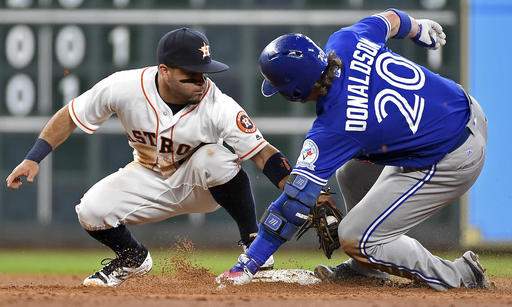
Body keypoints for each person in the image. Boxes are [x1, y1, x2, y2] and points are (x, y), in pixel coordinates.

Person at [218, 9, 490, 291]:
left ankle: (460, 275)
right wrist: (418, 29)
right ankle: (367, 269)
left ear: (294, 91)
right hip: (463, 109)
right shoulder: (346, 40)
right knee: (351, 172)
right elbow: (391, 19)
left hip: (454, 156)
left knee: (356, 237)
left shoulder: (335, 127)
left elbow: (294, 204)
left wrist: (249, 262)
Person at [6, 28, 293, 287]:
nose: (200, 81)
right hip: (146, 175)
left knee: (215, 157)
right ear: (164, 70)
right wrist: (34, 158)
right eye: (190, 75)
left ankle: (254, 245)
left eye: (203, 73)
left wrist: (299, 191)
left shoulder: (219, 105)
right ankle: (133, 258)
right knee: (91, 210)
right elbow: (69, 115)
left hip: (198, 182)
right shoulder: (124, 87)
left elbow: (262, 154)